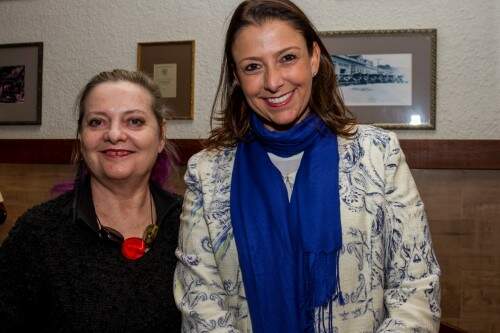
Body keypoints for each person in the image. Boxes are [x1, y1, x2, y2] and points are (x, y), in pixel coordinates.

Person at [174, 1, 441, 332]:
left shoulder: (379, 154)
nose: (273, 81)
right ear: (236, 77)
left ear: (314, 58)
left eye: (288, 58)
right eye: (253, 67)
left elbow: (416, 288)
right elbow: (201, 303)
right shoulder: (206, 173)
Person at [0, 69, 182, 331]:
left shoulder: (192, 223)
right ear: (81, 137)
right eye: (97, 122)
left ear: (161, 136)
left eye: (134, 121)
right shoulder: (38, 232)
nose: (114, 134)